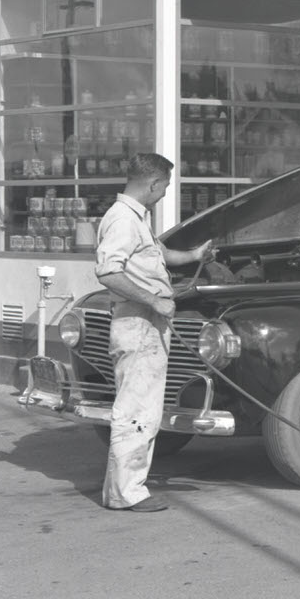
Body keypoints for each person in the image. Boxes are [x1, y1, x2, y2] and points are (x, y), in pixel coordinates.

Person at [93, 153, 213, 512]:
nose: (163, 195)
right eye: (164, 189)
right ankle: (125, 494)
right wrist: (154, 301)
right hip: (138, 322)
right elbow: (108, 272)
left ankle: (126, 489)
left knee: (144, 410)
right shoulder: (122, 221)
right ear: (154, 184)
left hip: (147, 324)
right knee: (136, 412)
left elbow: (159, 255)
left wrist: (196, 254)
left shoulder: (135, 218)